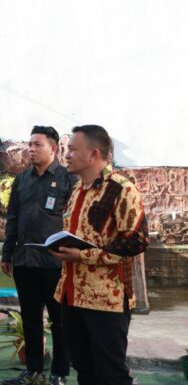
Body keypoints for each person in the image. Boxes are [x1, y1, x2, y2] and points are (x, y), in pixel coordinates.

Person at [51, 125, 148, 385]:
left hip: (107, 299)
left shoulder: (121, 189)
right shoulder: (76, 190)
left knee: (110, 373)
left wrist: (84, 255)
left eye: (72, 149)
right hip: (71, 295)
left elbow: (136, 243)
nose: (66, 155)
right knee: (84, 369)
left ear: (94, 154)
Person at [1, 126, 74, 385]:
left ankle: (59, 373)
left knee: (59, 321)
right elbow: (13, 218)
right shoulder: (22, 180)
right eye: (29, 144)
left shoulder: (68, 179)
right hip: (25, 261)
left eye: (37, 144)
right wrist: (7, 254)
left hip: (56, 264)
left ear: (53, 148)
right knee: (30, 319)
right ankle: (33, 370)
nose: (31, 149)